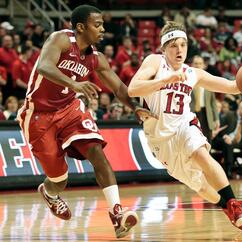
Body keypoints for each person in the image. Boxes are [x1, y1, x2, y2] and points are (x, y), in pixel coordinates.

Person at [17, 5, 155, 239]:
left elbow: (120, 88)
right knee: (59, 179)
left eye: (102, 24)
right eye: (97, 25)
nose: (103, 29)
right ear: (81, 27)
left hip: (70, 109)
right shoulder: (60, 39)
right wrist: (74, 84)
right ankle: (50, 192)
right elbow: (44, 66)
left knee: (97, 152)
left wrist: (136, 108)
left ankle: (117, 214)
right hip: (38, 114)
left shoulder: (96, 58)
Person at [127, 21, 242, 231]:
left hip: (185, 126)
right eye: (173, 45)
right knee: (200, 185)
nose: (179, 50)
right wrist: (164, 80)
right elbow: (133, 89)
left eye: (183, 44)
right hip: (160, 140)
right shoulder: (155, 62)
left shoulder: (194, 73)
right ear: (163, 48)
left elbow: (233, 86)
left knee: (201, 154)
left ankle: (234, 204)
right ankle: (226, 207)